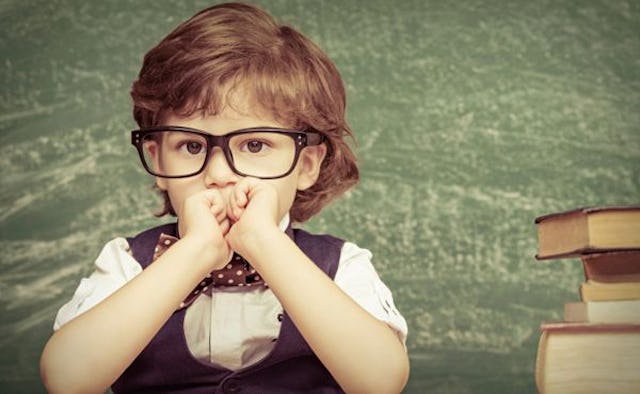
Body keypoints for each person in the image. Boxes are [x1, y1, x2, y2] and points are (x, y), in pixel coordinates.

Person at [39, 2, 409, 393]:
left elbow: (381, 382)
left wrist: (263, 244)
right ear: (157, 158)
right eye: (192, 147)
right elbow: (66, 380)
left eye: (254, 144)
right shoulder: (128, 264)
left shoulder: (341, 267)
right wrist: (194, 252)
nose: (218, 174)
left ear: (306, 165)